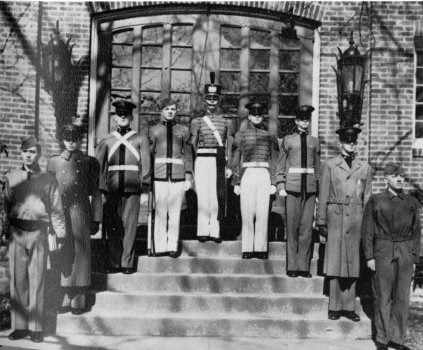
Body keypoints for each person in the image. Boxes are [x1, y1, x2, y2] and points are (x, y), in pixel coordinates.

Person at [2, 136, 66, 343]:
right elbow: (6, 205)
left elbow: (56, 208)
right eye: (25, 152)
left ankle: (36, 328)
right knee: (18, 279)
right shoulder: (11, 177)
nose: (29, 156)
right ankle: (19, 327)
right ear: (21, 153)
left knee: (37, 279)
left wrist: (60, 233)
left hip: (39, 232)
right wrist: (4, 230)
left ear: (38, 154)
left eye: (33, 152)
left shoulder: (48, 179)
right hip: (17, 231)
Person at [362, 162, 421, 350]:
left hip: (404, 251)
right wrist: (369, 257)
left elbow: (416, 232)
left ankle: (398, 339)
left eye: (402, 176)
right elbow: (367, 230)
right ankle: (382, 338)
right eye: (395, 176)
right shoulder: (376, 200)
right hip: (383, 251)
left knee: (402, 297)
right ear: (386, 178)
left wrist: (414, 258)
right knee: (383, 296)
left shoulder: (411, 202)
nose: (399, 179)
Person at [316, 127, 372, 322]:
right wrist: (321, 220)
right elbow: (323, 194)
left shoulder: (364, 168)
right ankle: (334, 306)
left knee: (353, 262)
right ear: (340, 143)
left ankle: (349, 307)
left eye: (354, 141)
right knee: (335, 262)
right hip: (336, 217)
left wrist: (367, 225)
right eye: (347, 141)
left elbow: (367, 198)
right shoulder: (330, 166)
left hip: (356, 218)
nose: (351, 144)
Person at [47, 124, 102, 314]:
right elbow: (48, 192)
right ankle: (64, 295)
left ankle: (79, 297)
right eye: (67, 138)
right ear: (62, 140)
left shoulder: (89, 162)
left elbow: (95, 191)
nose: (71, 142)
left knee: (80, 255)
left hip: (80, 213)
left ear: (80, 140)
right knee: (63, 253)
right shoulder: (54, 162)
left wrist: (96, 217)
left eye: (75, 138)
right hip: (60, 214)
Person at [96, 100, 151, 274]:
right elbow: (99, 167)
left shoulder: (140, 138)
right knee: (113, 226)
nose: (122, 118)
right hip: (112, 188)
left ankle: (127, 262)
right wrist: (100, 190)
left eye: (126, 115)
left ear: (131, 117)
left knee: (130, 227)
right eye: (119, 115)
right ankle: (113, 261)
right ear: (115, 118)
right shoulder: (106, 140)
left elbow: (147, 165)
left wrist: (146, 189)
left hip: (133, 188)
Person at [276, 105, 321, 278]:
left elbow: (317, 168)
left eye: (307, 119)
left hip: (309, 189)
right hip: (292, 188)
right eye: (301, 119)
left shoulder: (314, 142)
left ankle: (304, 267)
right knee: (293, 227)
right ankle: (292, 266)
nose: (304, 123)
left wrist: (319, 193)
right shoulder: (288, 140)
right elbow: (280, 166)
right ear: (296, 121)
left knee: (306, 229)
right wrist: (280, 185)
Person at [190, 72, 234, 243]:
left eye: (215, 98)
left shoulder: (226, 122)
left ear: (219, 100)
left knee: (217, 195)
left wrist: (229, 165)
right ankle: (202, 230)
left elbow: (229, 144)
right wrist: (192, 165)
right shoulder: (197, 122)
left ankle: (215, 230)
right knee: (203, 195)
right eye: (209, 98)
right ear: (205, 100)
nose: (212, 102)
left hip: (219, 160)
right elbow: (192, 145)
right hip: (202, 159)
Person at [232, 101, 279, 259]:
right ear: (249, 116)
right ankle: (247, 248)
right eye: (254, 114)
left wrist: (273, 182)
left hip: (264, 174)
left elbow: (274, 161)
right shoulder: (241, 136)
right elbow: (235, 159)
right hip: (248, 173)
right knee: (247, 211)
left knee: (262, 211)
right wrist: (236, 181)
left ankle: (260, 248)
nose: (257, 117)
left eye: (260, 114)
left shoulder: (269, 136)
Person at [148, 98, 193, 257]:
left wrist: (188, 177)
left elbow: (188, 156)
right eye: (167, 109)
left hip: (178, 176)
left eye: (173, 109)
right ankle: (160, 247)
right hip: (159, 176)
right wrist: (148, 177)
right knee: (160, 211)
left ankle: (172, 246)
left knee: (175, 213)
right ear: (162, 111)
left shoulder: (183, 131)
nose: (170, 112)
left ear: (176, 111)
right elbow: (149, 155)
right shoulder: (154, 131)